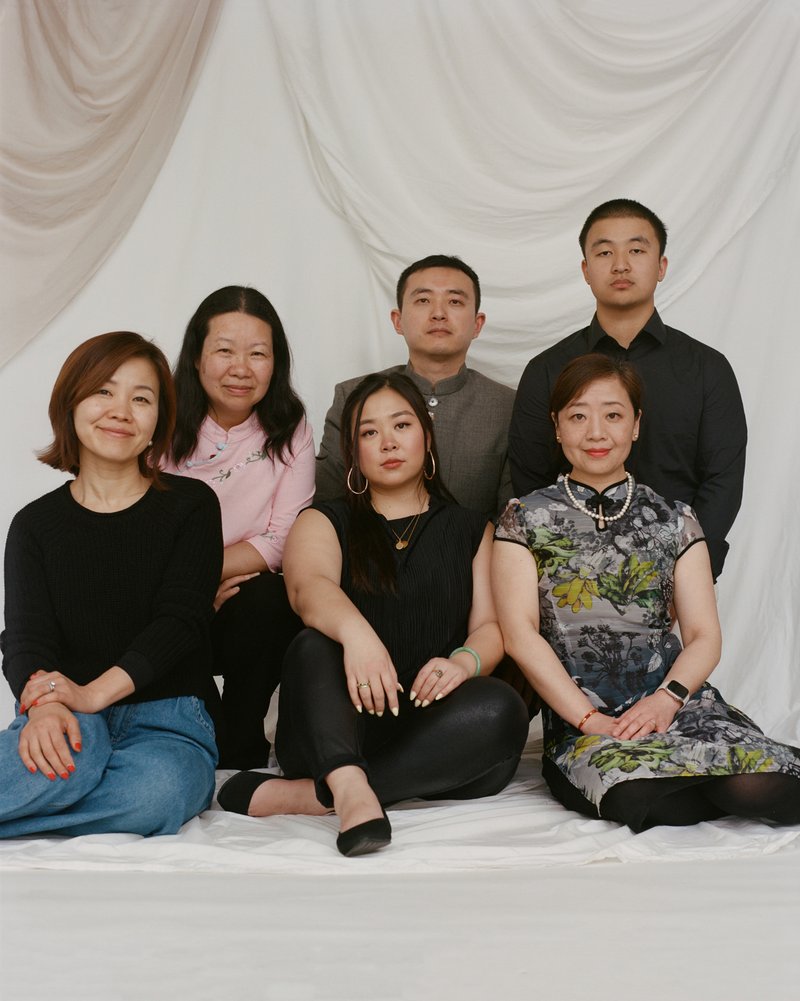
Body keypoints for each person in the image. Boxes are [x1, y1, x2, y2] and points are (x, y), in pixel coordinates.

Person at [218, 373, 529, 855]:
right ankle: (346, 778)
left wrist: (462, 663)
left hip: (430, 724)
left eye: (401, 425)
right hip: (335, 719)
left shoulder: (472, 528)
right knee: (314, 643)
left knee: (501, 706)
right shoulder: (323, 518)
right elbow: (307, 588)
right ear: (354, 452)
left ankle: (322, 795)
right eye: (368, 432)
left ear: (427, 438)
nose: (387, 442)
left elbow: (489, 628)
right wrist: (359, 638)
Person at [494, 354, 800, 831]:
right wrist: (590, 720)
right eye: (578, 415)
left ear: (636, 425)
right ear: (556, 427)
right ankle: (707, 776)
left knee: (765, 785)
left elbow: (703, 634)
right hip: (586, 720)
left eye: (613, 414)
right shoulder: (524, 519)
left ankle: (729, 765)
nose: (596, 432)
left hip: (676, 703)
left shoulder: (675, 519)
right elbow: (520, 635)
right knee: (646, 801)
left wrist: (667, 699)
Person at [0, 332, 222, 838]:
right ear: (70, 405)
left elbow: (182, 621)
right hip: (63, 707)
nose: (120, 410)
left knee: (158, 793)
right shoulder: (34, 524)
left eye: (141, 399)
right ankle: (57, 781)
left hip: (168, 718)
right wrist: (48, 705)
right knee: (72, 759)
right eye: (103, 390)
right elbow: (26, 638)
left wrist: (92, 694)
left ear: (156, 427)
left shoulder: (191, 506)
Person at [509, 199, 747, 580]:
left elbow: (723, 481)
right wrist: (568, 566)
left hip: (681, 577)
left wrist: (689, 569)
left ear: (661, 266)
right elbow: (529, 481)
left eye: (636, 250)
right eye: (605, 252)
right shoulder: (547, 369)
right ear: (586, 270)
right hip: (572, 580)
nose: (620, 264)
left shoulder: (707, 369)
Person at [165, 286, 315, 768]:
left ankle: (243, 729)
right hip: (166, 596)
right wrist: (194, 587)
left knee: (275, 598)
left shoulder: (290, 425)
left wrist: (210, 572)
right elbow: (139, 536)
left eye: (258, 354)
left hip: (243, 599)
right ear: (196, 356)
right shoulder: (159, 421)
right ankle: (201, 727)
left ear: (277, 362)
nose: (241, 368)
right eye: (224, 351)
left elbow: (284, 537)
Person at [314, 254, 514, 518]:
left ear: (477, 324)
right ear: (398, 321)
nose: (439, 314)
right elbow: (326, 505)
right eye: (423, 300)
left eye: (454, 301)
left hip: (476, 555)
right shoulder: (351, 395)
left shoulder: (508, 406)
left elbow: (512, 519)